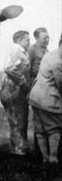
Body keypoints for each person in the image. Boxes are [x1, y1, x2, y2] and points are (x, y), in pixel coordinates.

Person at [29, 34, 62, 164]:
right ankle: (53, 158)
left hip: (36, 97)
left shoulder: (50, 54)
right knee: (54, 128)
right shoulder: (59, 61)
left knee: (41, 129)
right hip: (48, 99)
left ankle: (45, 158)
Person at [0, 30, 31, 155]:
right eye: (27, 40)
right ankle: (20, 149)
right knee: (18, 120)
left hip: (13, 91)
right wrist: (23, 83)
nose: (29, 43)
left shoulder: (19, 51)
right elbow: (8, 67)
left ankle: (16, 148)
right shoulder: (16, 51)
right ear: (19, 40)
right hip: (13, 91)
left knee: (15, 120)